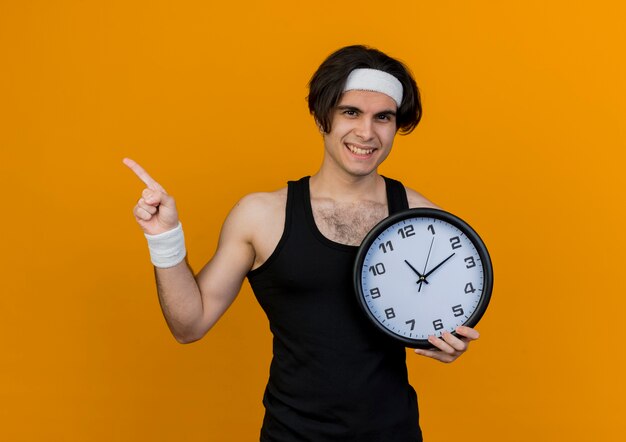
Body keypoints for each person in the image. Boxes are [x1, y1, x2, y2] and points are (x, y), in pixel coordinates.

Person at [124, 45, 480, 441]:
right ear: (321, 116)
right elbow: (189, 324)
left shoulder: (423, 220)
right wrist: (165, 239)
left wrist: (447, 341)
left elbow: (443, 309)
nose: (366, 132)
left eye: (383, 117)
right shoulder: (262, 215)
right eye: (350, 112)